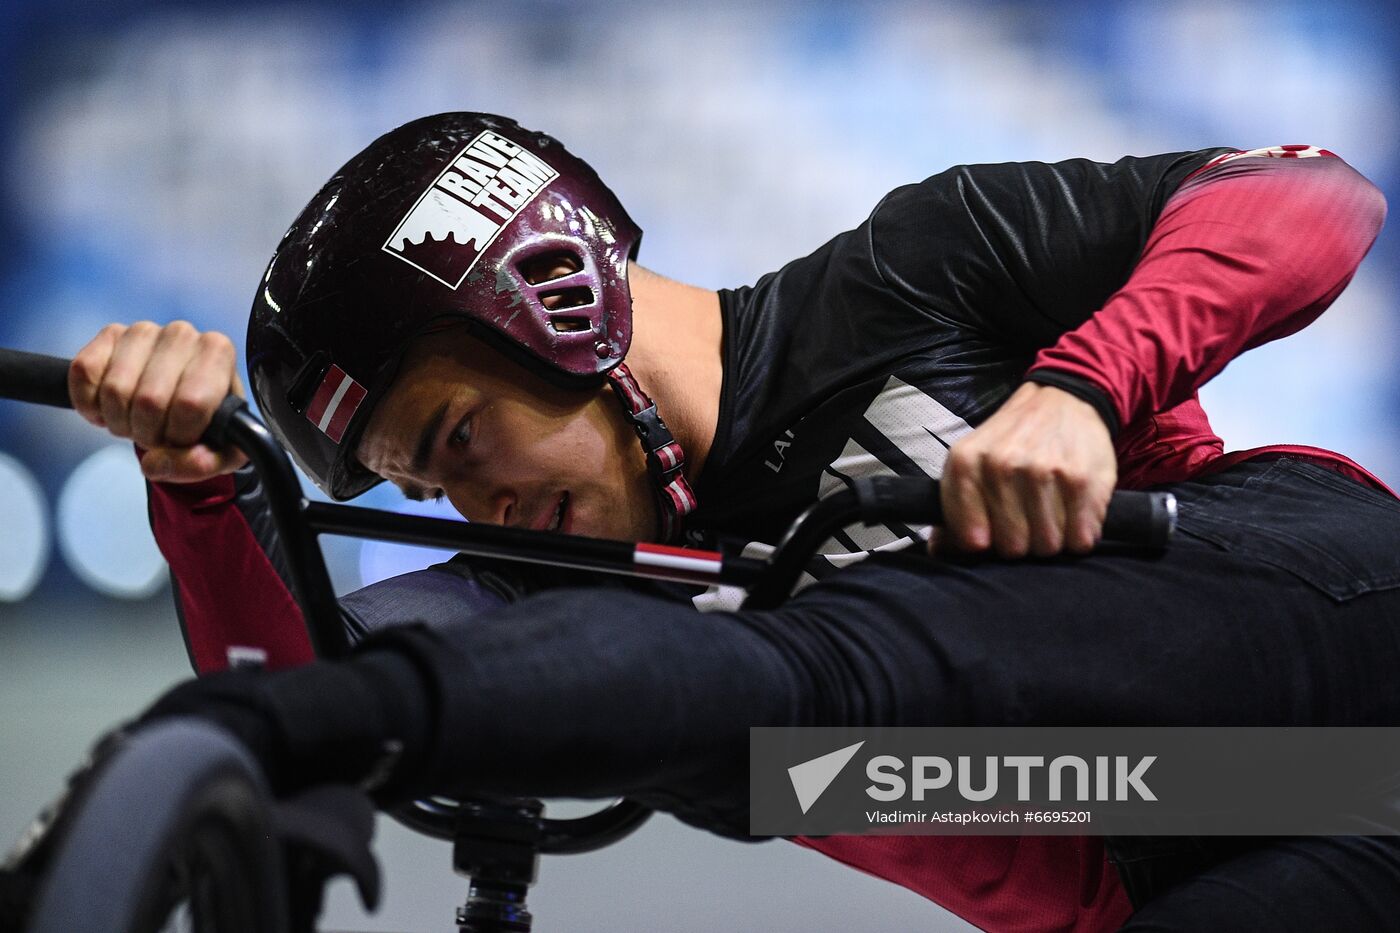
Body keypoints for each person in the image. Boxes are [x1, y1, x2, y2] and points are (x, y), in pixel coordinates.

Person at [68, 113, 1400, 931]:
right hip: (1258, 830)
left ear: (558, 302)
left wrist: (1080, 388)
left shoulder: (915, 269)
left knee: (815, 698)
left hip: (1334, 634)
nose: (475, 509)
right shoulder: (539, 584)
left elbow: (1315, 198)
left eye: (459, 440)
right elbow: (310, 701)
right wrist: (195, 478)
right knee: (801, 731)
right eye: (429, 490)